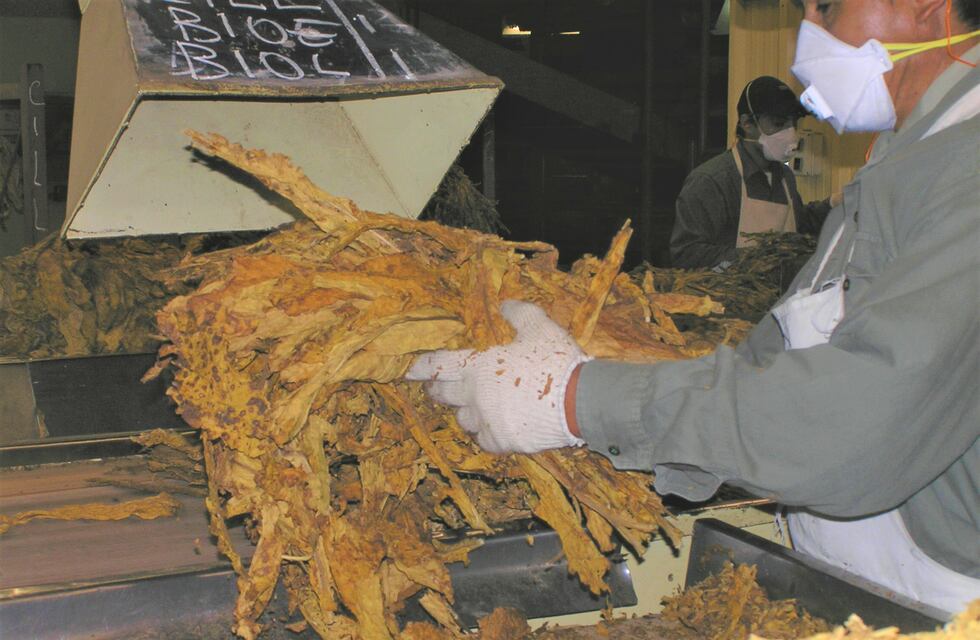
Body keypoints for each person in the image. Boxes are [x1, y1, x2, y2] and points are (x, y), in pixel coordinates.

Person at [408, 0, 980, 616]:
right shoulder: (907, 159)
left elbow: (856, 426)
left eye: (827, 6)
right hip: (856, 584)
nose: (805, 34)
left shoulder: (966, 167)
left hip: (942, 604)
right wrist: (611, 410)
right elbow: (773, 364)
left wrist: (573, 398)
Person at [670, 76, 835, 270]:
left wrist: (834, 205)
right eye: (779, 123)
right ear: (747, 123)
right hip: (725, 298)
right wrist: (759, 258)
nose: (790, 133)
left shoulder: (784, 177)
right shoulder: (712, 181)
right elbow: (686, 254)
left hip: (777, 298)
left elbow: (797, 224)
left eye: (793, 123)